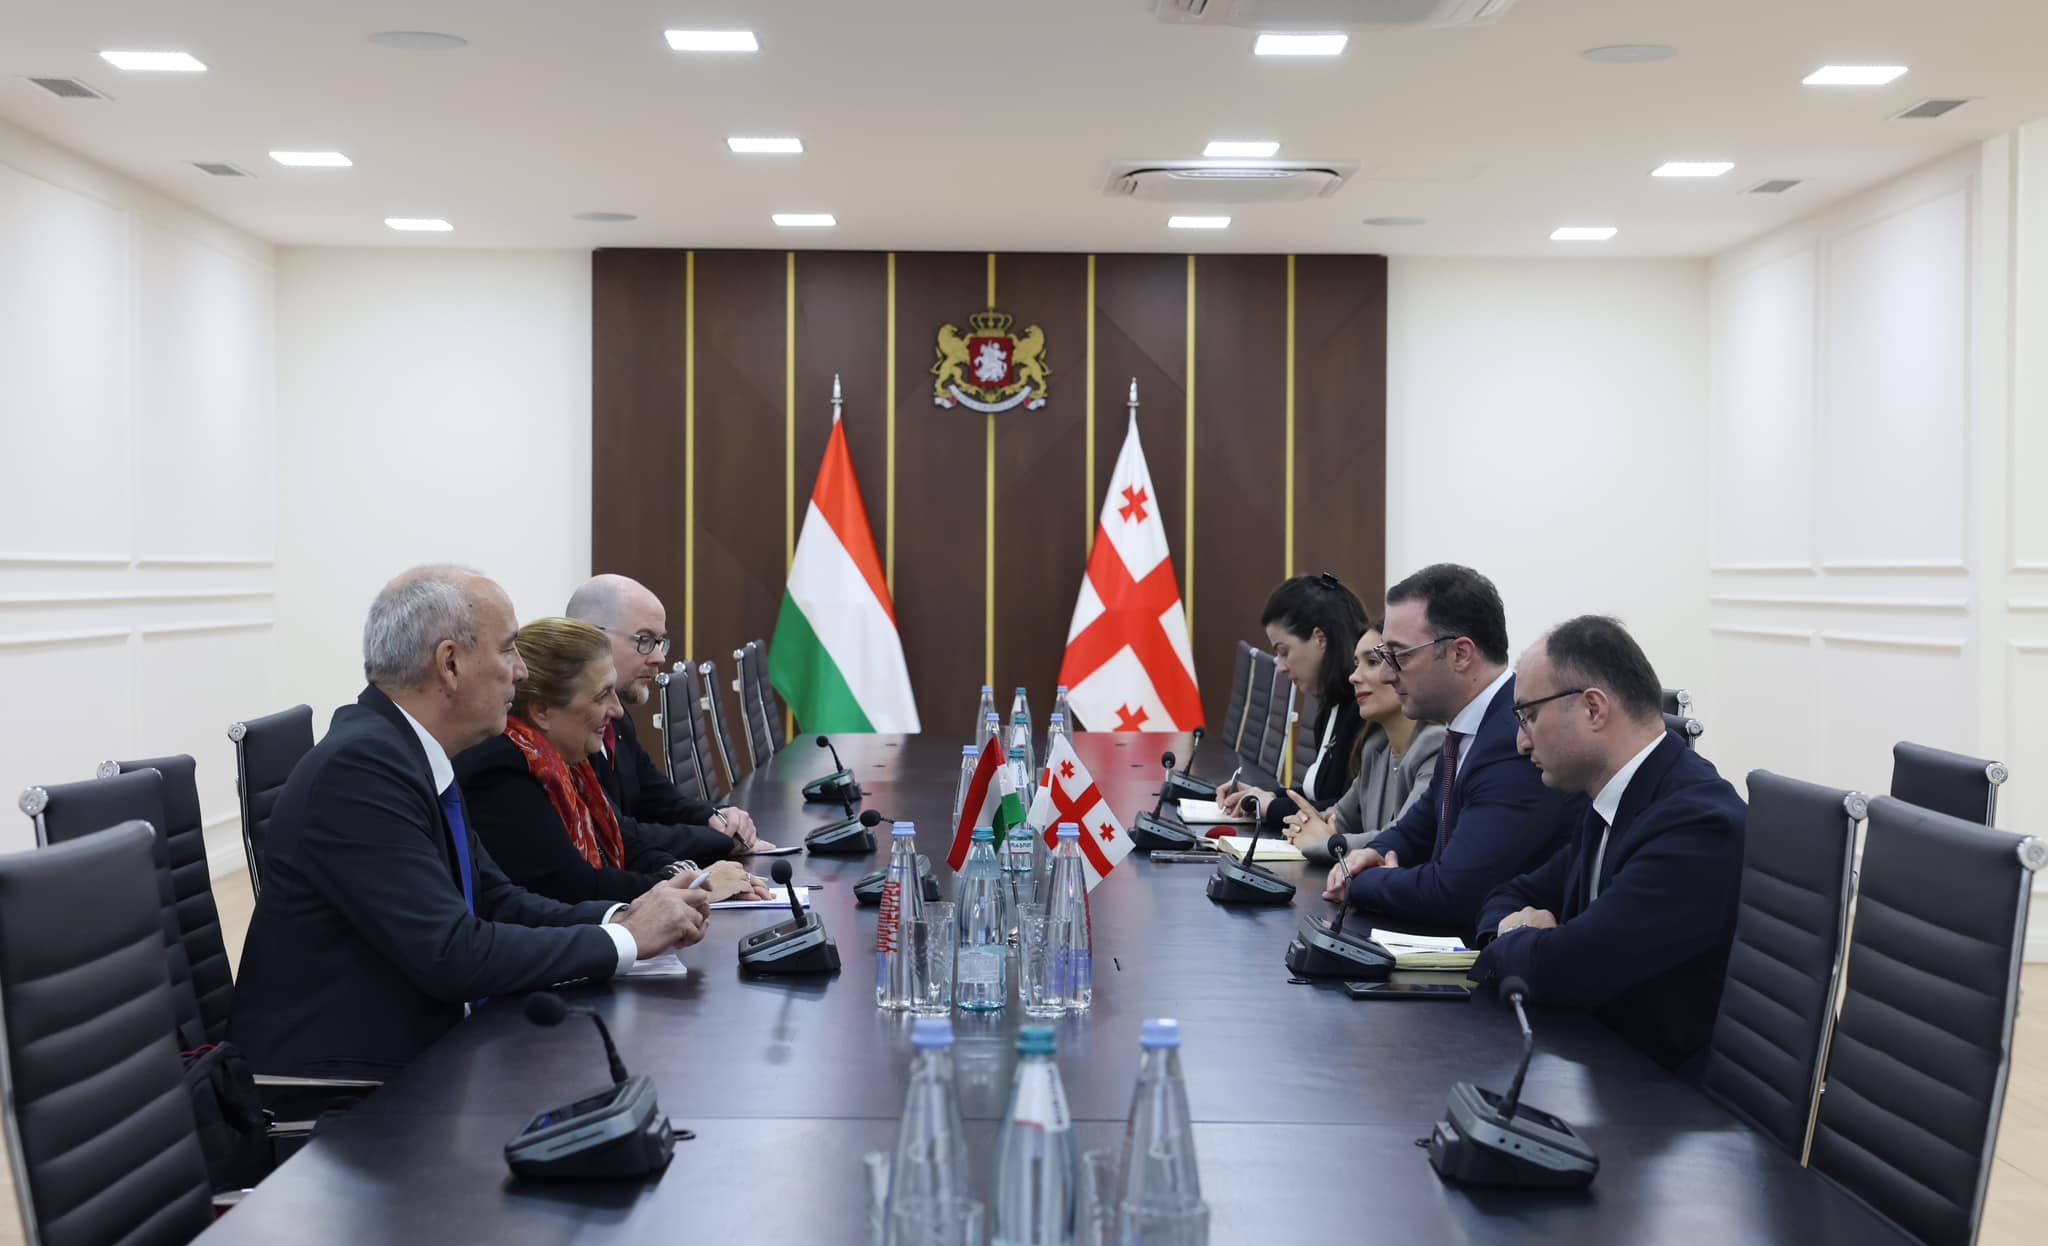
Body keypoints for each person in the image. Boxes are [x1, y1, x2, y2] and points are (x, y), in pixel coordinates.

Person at [229, 566, 711, 1079]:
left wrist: (622, 917)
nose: (521, 672)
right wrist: (628, 941)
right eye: (508, 650)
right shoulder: (360, 770)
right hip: (346, 1084)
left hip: (421, 1053)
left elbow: (497, 899)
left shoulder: (408, 751)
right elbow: (453, 954)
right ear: (451, 664)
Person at [1471, 616, 1746, 1072]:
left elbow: (1573, 967)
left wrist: (1514, 940)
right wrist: (1517, 933)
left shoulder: (1697, 824)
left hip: (1660, 1093)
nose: (1520, 743)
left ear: (1593, 709)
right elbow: (1509, 894)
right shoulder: (1610, 799)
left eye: (1529, 717)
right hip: (1597, 1065)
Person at [1319, 564, 1578, 930]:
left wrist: (1361, 882)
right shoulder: (1466, 725)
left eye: (1399, 655)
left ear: (1460, 654)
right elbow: (1418, 827)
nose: (1388, 674)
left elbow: (1456, 893)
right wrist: (1371, 853)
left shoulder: (1513, 740)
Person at [456, 617, 773, 905]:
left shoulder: (567, 761)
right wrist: (694, 886)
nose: (618, 710)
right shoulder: (502, 767)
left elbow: (623, 839)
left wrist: (690, 875)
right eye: (601, 696)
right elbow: (573, 886)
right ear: (542, 711)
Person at [564, 573, 775, 856]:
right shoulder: (566, 729)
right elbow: (615, 835)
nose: (659, 658)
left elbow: (658, 798)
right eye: (644, 640)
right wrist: (720, 841)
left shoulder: (618, 719)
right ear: (590, 637)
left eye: (659, 641)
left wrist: (719, 817)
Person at [1281, 621, 1448, 865]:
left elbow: (1399, 840)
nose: (1353, 677)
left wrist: (1330, 842)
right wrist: (1306, 825)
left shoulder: (1435, 744)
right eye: (1356, 664)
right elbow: (1339, 818)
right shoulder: (1376, 747)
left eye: (1372, 661)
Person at [1214, 574, 1369, 833]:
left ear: (1320, 639)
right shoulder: (1330, 707)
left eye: (1284, 651)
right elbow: (1317, 793)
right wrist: (1264, 795)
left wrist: (1272, 807)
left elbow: (1350, 810)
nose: (1281, 667)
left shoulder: (1364, 710)